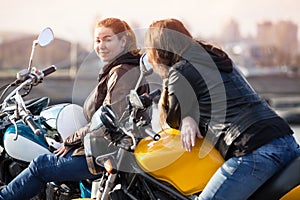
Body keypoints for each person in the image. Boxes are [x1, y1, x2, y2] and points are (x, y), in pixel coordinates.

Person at [144, 18, 300, 200]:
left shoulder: (179, 72)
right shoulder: (220, 59)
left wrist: (187, 117)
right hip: (285, 140)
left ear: (158, 50)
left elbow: (172, 120)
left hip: (254, 150)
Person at [0, 17, 149, 200]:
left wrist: (72, 140)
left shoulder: (120, 72)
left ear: (123, 41)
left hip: (104, 152)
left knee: (40, 165)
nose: (101, 45)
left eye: (108, 39)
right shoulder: (126, 68)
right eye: (98, 40)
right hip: (111, 148)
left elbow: (109, 119)